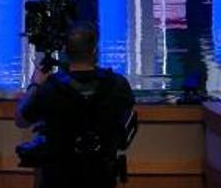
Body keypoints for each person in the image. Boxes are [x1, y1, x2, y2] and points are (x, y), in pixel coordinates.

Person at [15, 22, 136, 188]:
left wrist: (35, 85)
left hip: (58, 178)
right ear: (95, 50)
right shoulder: (118, 85)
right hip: (102, 177)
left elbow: (21, 119)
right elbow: (125, 125)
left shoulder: (49, 89)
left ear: (66, 51)